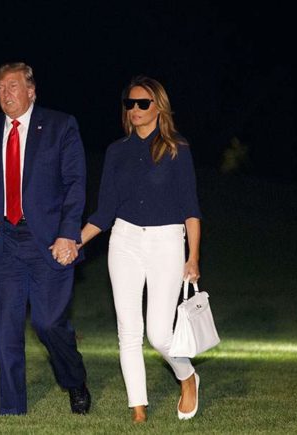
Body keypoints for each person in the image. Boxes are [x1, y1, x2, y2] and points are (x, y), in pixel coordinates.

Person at [0, 62, 91, 415]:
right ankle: (12, 411)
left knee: (48, 323)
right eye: (0, 88)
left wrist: (68, 234)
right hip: (3, 242)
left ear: (31, 91)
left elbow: (75, 183)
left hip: (48, 241)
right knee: (6, 333)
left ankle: (74, 380)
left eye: (13, 86)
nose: (6, 94)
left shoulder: (60, 126)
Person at [71, 76, 202, 423]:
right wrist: (74, 243)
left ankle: (187, 376)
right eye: (130, 103)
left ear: (159, 107)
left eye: (143, 103)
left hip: (166, 242)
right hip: (124, 240)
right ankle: (138, 410)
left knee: (159, 334)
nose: (135, 109)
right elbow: (104, 212)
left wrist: (193, 257)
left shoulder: (177, 148)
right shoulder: (117, 151)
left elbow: (191, 209)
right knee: (128, 330)